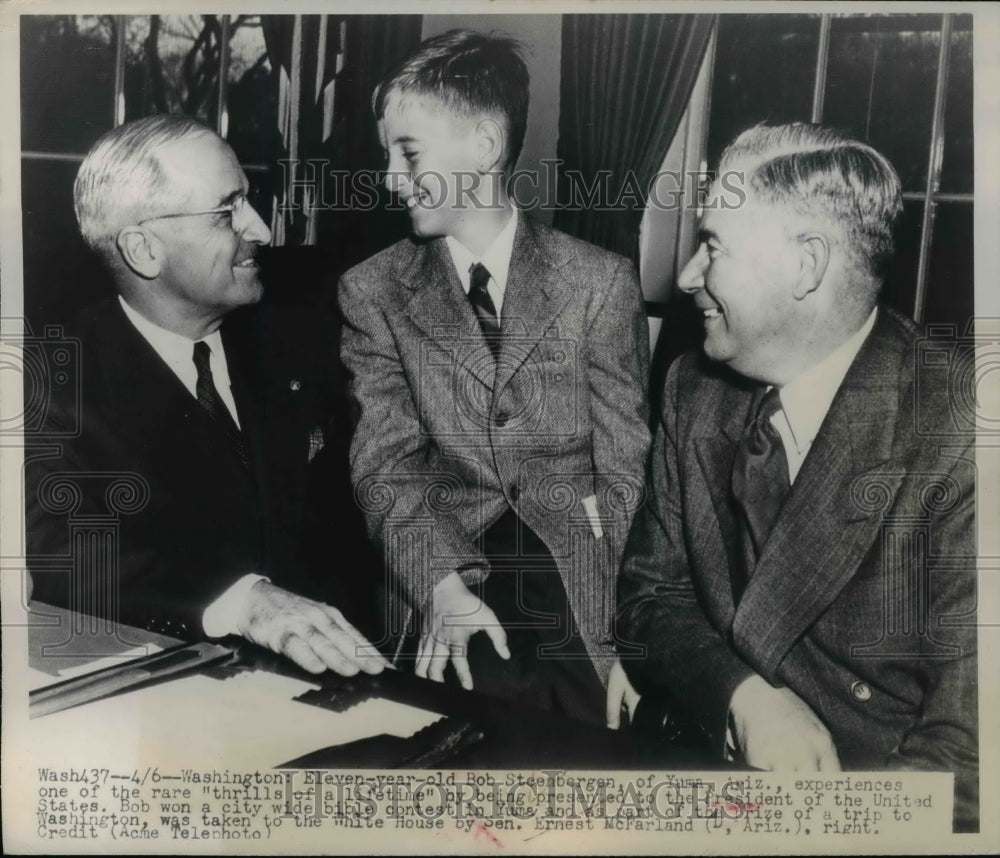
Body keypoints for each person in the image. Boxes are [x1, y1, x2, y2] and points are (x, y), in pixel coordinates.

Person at [617, 123, 977, 830]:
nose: (688, 275)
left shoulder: (963, 435)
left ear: (806, 266)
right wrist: (744, 697)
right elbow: (648, 598)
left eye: (714, 244)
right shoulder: (695, 388)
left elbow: (969, 765)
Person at [339, 30, 650, 727]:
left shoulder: (598, 282)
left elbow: (629, 466)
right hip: (447, 560)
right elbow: (384, 466)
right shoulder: (374, 291)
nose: (390, 176)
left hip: (579, 571)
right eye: (387, 154)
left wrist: (637, 632)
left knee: (589, 743)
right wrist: (441, 585)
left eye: (408, 152)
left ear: (483, 147)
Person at [26, 114, 387, 678]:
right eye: (227, 213)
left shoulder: (305, 338)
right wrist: (244, 601)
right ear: (144, 250)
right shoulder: (49, 384)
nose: (263, 230)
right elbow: (67, 558)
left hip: (345, 672)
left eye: (248, 201)